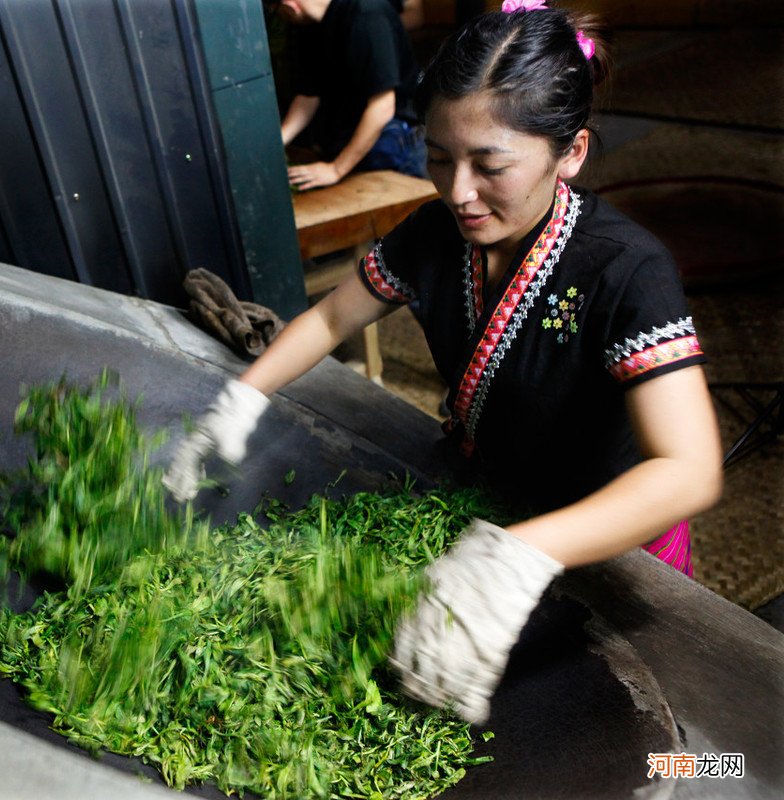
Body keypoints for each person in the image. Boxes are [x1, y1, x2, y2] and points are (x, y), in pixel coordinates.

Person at [166, 1, 723, 724]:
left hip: (612, 547)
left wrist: (522, 554)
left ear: (572, 152)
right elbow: (333, 316)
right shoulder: (434, 236)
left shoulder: (626, 272)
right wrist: (242, 396)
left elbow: (688, 470)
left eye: (490, 165)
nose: (458, 192)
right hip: (495, 507)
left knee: (653, 736)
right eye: (437, 157)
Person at [274, 0, 427, 188]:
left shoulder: (367, 14)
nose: (281, 18)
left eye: (276, 11)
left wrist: (335, 170)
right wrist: (277, 142)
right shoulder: (309, 27)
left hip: (395, 140)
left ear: (289, 5)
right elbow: (308, 96)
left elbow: (383, 106)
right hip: (351, 141)